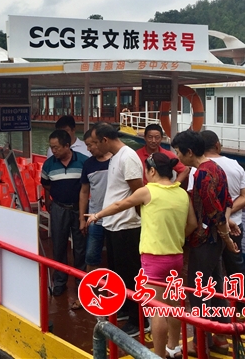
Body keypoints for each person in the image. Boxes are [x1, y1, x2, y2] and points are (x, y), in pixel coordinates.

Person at [86, 152, 197, 359]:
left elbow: (120, 205)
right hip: (176, 257)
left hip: (153, 259)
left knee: (156, 309)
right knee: (173, 305)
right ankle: (174, 347)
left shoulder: (148, 191)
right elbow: (192, 223)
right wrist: (177, 237)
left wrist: (97, 215)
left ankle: (158, 355)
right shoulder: (182, 194)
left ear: (152, 171)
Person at [171, 130, 239, 355]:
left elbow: (213, 212)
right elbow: (227, 202)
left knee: (198, 290)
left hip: (204, 240)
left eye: (179, 152)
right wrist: (227, 227)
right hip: (215, 240)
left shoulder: (201, 174)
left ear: (189, 152)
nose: (178, 157)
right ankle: (220, 337)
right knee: (216, 286)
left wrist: (226, 237)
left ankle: (201, 342)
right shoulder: (216, 167)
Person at [90, 123, 149, 337]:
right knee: (118, 272)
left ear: (105, 140)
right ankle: (125, 307)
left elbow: (137, 193)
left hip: (127, 225)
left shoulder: (128, 157)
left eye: (95, 142)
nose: (94, 147)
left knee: (131, 273)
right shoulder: (115, 157)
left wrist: (138, 219)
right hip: (113, 224)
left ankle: (139, 319)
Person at [201, 130, 245, 308]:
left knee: (210, 270)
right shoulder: (234, 165)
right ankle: (244, 306)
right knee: (236, 267)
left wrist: (220, 215)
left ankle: (215, 310)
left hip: (208, 228)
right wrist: (227, 214)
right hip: (234, 226)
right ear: (217, 145)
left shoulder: (198, 169)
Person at [40, 129, 88, 298]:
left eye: (56, 147)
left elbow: (87, 186)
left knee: (80, 247)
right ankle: (60, 281)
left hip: (79, 208)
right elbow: (46, 184)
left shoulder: (83, 161)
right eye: (51, 147)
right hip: (59, 208)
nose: (53, 151)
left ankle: (81, 282)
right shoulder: (49, 164)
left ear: (67, 146)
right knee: (59, 245)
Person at [79, 127, 111, 273]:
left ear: (100, 142)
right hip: (95, 218)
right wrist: (82, 219)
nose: (88, 149)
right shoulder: (88, 164)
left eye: (90, 145)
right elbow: (84, 192)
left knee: (116, 256)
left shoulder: (117, 161)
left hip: (116, 218)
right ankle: (91, 284)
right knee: (91, 256)